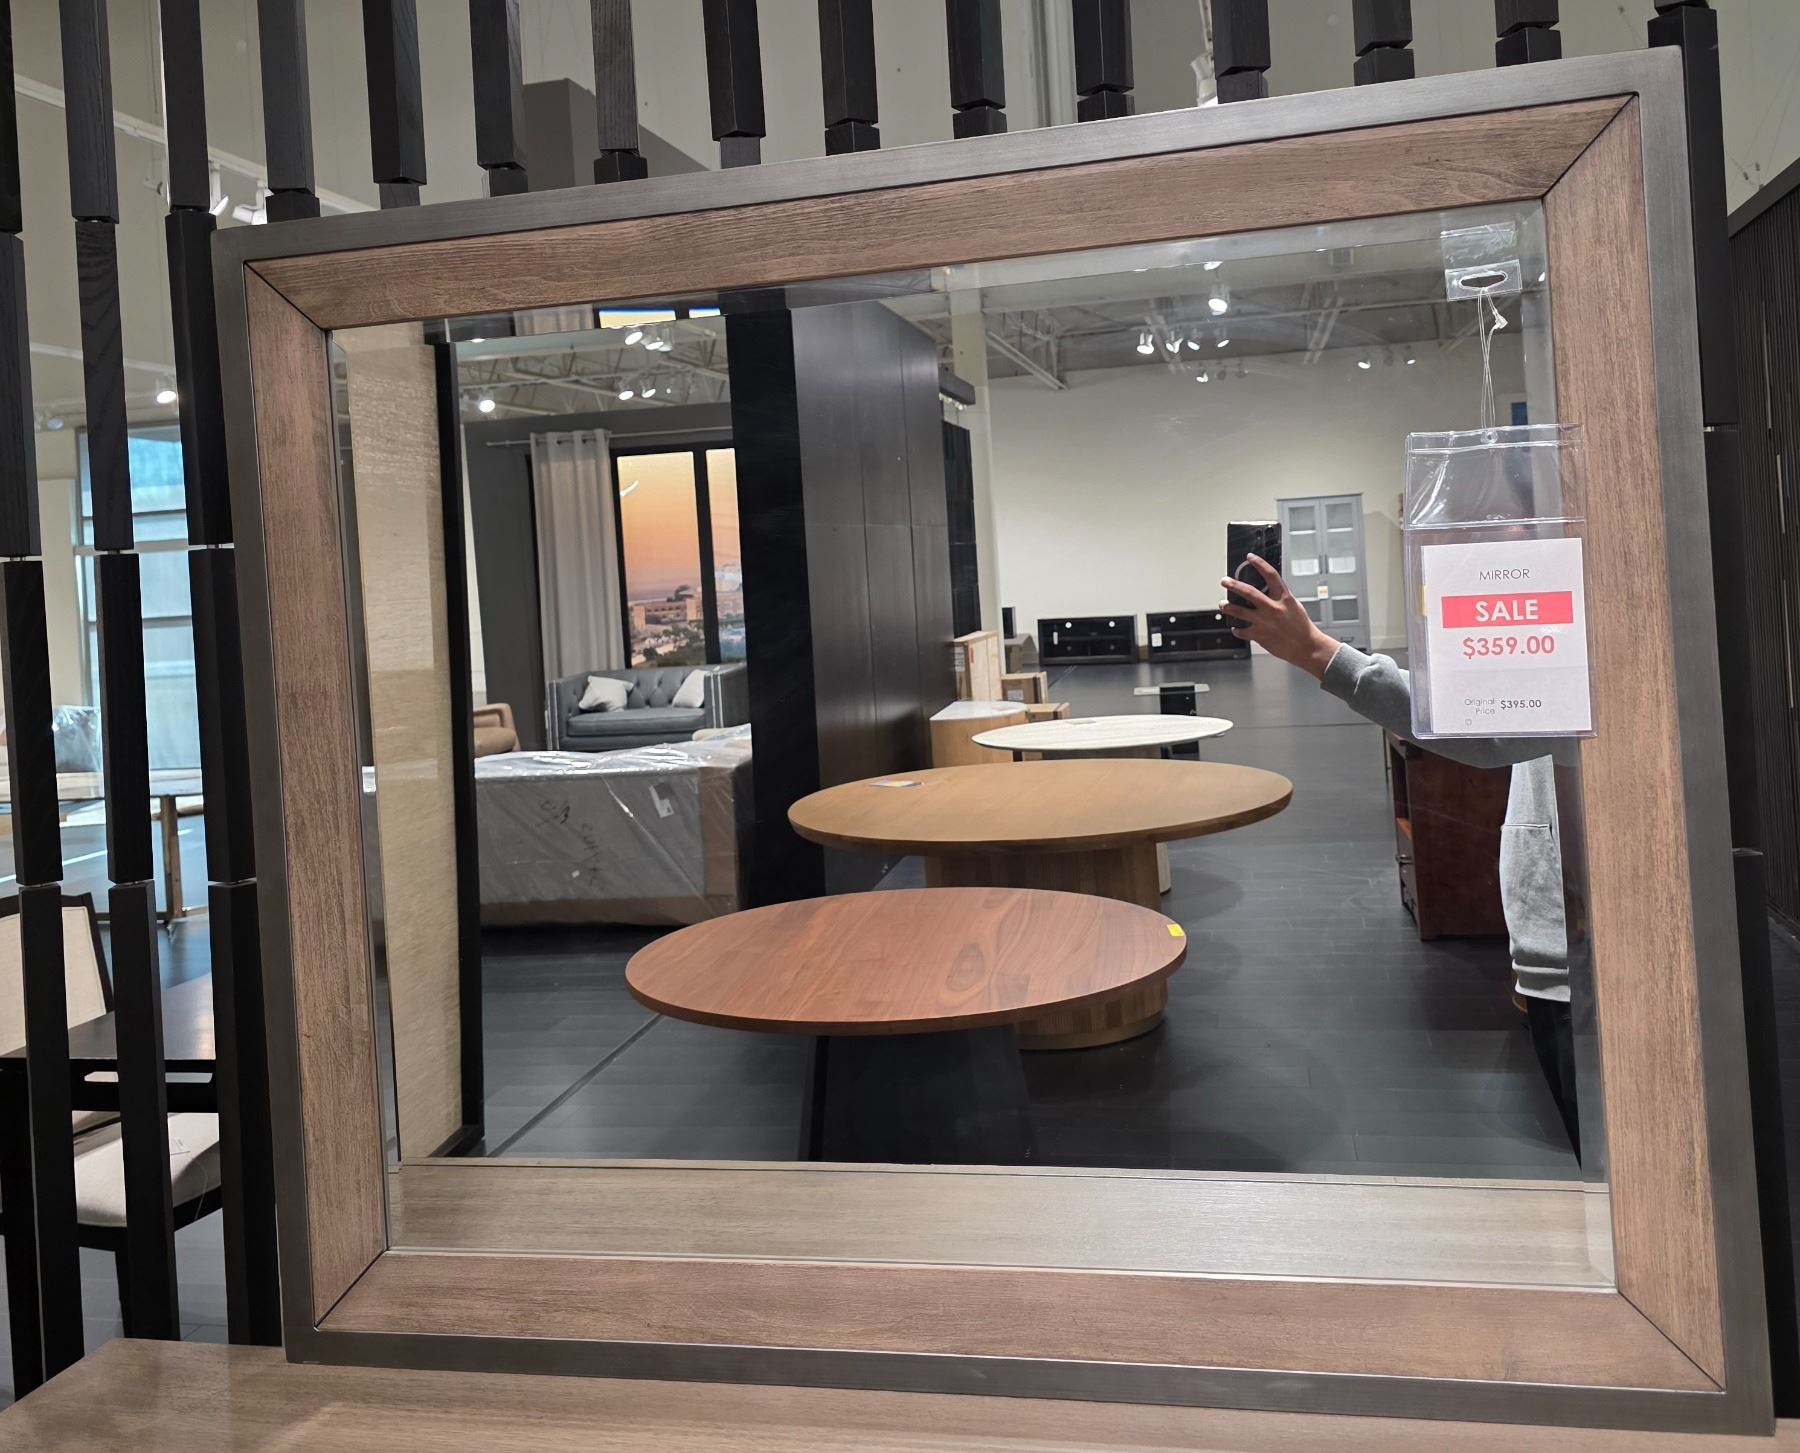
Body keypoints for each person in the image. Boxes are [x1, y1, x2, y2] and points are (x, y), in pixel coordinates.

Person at [1219, 554, 1581, 1159]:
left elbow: (1478, 726)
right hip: (1559, 950)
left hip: (1583, 959)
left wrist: (1316, 651)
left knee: (1622, 1173)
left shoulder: (1614, 623)